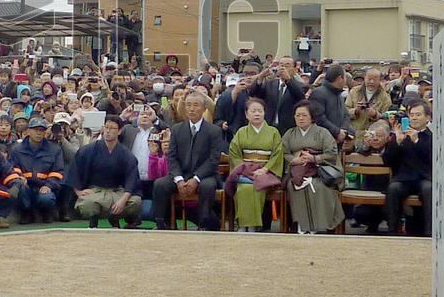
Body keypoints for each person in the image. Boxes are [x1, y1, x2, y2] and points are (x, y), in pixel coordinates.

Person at [152, 92, 222, 231]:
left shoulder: (214, 131)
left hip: (205, 175)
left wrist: (196, 178)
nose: (191, 109)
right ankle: (164, 223)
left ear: (203, 108)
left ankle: (204, 224)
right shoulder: (177, 129)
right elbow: (172, 157)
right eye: (188, 105)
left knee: (207, 186)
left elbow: (213, 159)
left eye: (196, 105)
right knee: (160, 184)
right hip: (181, 174)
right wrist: (178, 179)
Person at [281, 100, 345, 234]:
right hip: (297, 171)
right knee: (295, 185)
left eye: (304, 115)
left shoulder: (323, 133)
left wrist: (314, 158)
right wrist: (295, 160)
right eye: (297, 115)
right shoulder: (289, 134)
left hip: (319, 171)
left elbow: (332, 153)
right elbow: (283, 153)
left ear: (312, 117)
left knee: (319, 187)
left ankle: (319, 225)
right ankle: (302, 224)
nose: (300, 118)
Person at [64, 119, 141, 228]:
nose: (108, 131)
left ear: (119, 131)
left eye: (112, 128)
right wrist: (78, 191)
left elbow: (132, 178)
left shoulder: (126, 154)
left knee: (135, 202)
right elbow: (75, 170)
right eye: (106, 127)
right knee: (87, 204)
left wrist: (123, 200)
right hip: (96, 192)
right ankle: (93, 221)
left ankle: (114, 217)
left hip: (117, 192)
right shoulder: (88, 150)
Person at [227, 98, 284, 232]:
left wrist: (265, 169)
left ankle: (253, 225)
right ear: (247, 115)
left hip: (266, 172)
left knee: (257, 187)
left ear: (265, 113)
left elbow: (277, 154)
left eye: (260, 111)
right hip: (245, 171)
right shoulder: (241, 132)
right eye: (253, 111)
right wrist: (244, 169)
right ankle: (242, 224)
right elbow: (234, 153)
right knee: (243, 188)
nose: (257, 114)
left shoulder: (273, 132)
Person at [382, 100, 433, 236]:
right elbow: (387, 160)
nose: (414, 118)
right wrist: (397, 142)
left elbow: (432, 160)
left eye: (418, 115)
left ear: (427, 118)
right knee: (393, 188)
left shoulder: (432, 136)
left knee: (429, 189)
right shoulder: (401, 135)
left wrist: (417, 141)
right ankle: (392, 231)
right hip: (405, 178)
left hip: (425, 177)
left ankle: (430, 232)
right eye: (411, 115)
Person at [9, 117, 65, 224]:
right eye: (36, 130)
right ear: (29, 130)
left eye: (41, 130)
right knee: (19, 189)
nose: (39, 133)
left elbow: (58, 171)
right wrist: (19, 178)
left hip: (44, 187)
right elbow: (12, 168)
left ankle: (46, 212)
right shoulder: (16, 149)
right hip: (26, 186)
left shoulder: (54, 149)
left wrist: (48, 185)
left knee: (47, 198)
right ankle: (26, 212)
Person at [350, 120, 391, 234]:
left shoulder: (392, 148)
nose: (376, 139)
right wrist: (366, 145)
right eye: (373, 135)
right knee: (361, 213)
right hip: (369, 188)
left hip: (388, 189)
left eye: (380, 136)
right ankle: (371, 225)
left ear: (387, 137)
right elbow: (358, 151)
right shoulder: (366, 148)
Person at [309, 64, 354, 144]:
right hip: (322, 142)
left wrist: (342, 131)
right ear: (340, 78)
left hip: (338, 141)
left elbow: (346, 115)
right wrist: (337, 132)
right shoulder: (318, 93)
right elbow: (319, 119)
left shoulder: (338, 94)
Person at [345, 68, 392, 143]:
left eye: (375, 79)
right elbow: (344, 111)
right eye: (369, 79)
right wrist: (355, 111)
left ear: (380, 80)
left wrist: (375, 114)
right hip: (354, 134)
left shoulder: (385, 97)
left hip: (374, 138)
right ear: (364, 78)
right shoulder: (354, 91)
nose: (371, 82)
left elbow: (388, 118)